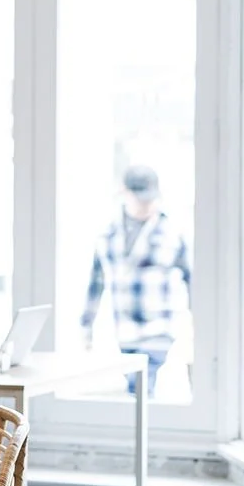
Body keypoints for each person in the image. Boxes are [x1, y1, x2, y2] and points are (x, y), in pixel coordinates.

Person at [80, 165, 192, 397]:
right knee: (136, 391)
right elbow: (96, 284)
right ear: (125, 193)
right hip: (124, 330)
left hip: (160, 328)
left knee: (142, 386)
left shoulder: (172, 232)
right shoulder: (108, 234)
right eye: (140, 198)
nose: (145, 205)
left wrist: (198, 324)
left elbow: (192, 279)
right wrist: (86, 327)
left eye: (150, 199)